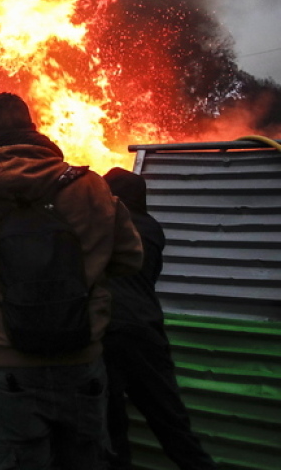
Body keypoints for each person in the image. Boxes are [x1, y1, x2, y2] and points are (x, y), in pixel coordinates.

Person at [0, 93, 144, 470]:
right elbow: (130, 259)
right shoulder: (91, 187)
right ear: (33, 125)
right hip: (81, 356)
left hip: (8, 365)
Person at [101, 168, 217, 470]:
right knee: (171, 422)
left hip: (108, 332)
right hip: (147, 331)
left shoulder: (100, 223)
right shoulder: (153, 228)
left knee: (111, 427)